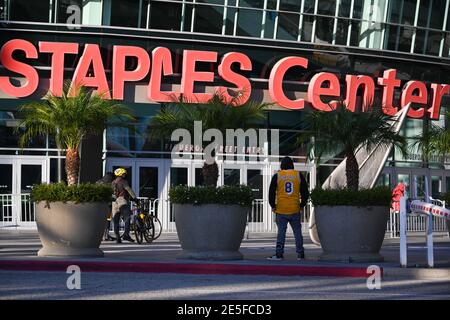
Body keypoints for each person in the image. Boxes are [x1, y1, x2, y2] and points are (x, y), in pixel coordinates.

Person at [267, 156, 310, 261]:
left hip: (281, 209)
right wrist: (301, 205)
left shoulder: (278, 176)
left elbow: (271, 192)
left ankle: (279, 254)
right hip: (295, 208)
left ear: (282, 165)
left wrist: (273, 205)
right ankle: (300, 254)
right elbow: (305, 192)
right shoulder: (298, 175)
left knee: (281, 233)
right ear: (292, 165)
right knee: (297, 233)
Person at [112, 168, 137, 243]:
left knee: (116, 220)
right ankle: (126, 235)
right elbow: (128, 189)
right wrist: (135, 198)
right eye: (124, 173)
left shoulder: (113, 182)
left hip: (114, 202)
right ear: (121, 174)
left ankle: (117, 238)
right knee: (127, 218)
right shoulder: (123, 181)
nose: (125, 175)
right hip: (122, 201)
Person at [96, 172, 116, 241]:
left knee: (99, 221)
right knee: (107, 220)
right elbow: (113, 193)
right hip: (107, 205)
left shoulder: (98, 182)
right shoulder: (111, 184)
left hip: (98, 205)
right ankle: (105, 236)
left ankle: (99, 236)